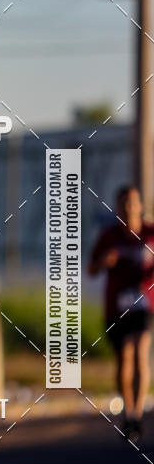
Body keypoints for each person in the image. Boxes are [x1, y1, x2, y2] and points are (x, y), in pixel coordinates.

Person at [89, 185, 154, 443]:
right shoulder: (109, 236)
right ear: (117, 208)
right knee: (124, 359)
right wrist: (105, 261)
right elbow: (91, 269)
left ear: (140, 205)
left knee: (139, 353)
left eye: (133, 202)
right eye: (123, 203)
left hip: (143, 304)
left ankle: (137, 414)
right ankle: (127, 411)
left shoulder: (151, 234)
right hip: (115, 307)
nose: (129, 207)